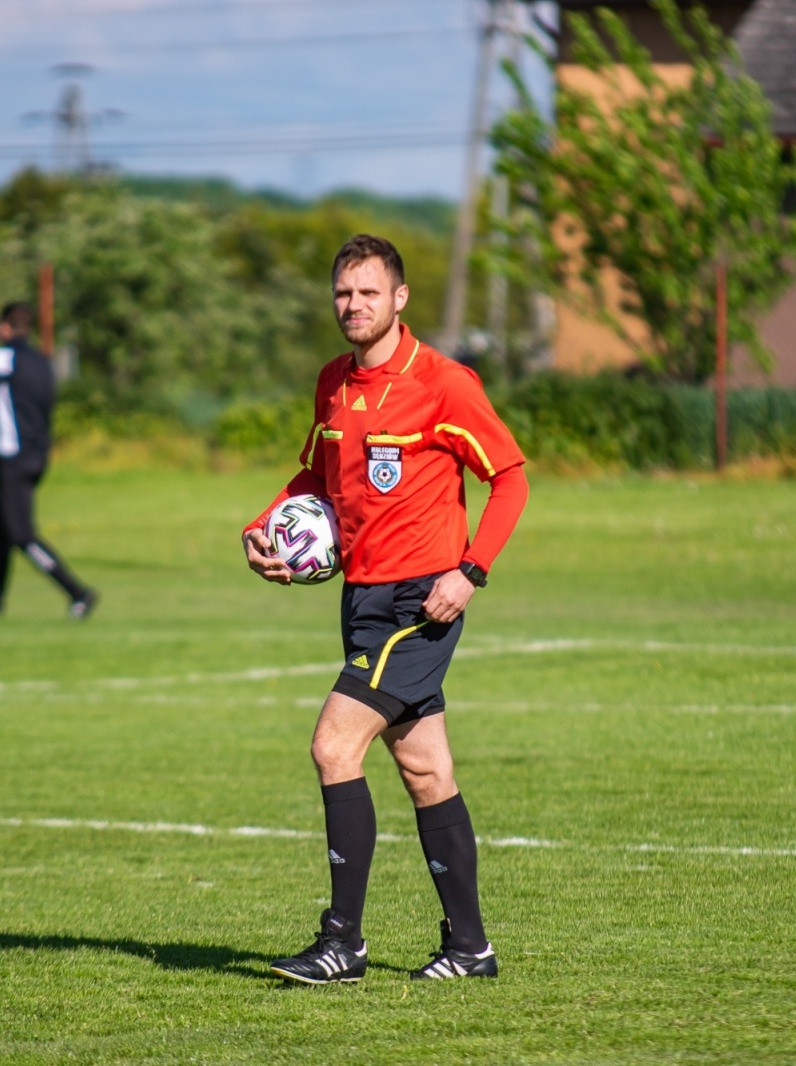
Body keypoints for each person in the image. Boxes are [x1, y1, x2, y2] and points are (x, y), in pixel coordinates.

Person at [242, 234, 529, 983]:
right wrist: (263, 527)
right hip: (361, 598)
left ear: (400, 298)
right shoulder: (333, 383)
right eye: (343, 293)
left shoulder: (443, 383)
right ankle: (470, 948)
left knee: (335, 746)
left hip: (421, 602)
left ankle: (343, 942)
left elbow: (511, 478)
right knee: (427, 770)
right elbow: (315, 473)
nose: (353, 306)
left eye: (368, 292)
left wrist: (471, 572)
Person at [0, 301, 97, 620]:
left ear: (3, 327)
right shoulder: (42, 362)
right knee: (0, 528)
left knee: (20, 534)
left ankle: (78, 592)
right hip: (38, 455)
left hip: (13, 457)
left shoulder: (1, 358)